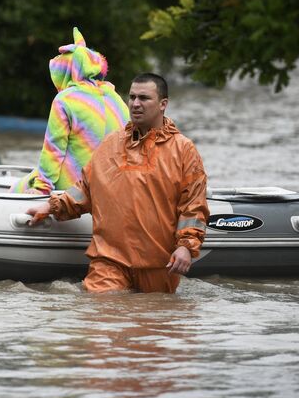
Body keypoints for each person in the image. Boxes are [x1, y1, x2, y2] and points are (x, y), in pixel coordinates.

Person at [26, 72, 209, 293]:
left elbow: (193, 205)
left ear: (163, 104)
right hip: (109, 260)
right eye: (132, 97)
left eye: (144, 98)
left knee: (157, 319)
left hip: (158, 264)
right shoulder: (111, 144)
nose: (135, 104)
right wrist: (50, 206)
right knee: (100, 314)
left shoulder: (183, 149)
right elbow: (85, 188)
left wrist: (186, 247)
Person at [10, 27, 129, 194]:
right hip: (113, 188)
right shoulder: (115, 98)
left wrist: (42, 187)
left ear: (66, 73)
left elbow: (53, 150)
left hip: (75, 189)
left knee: (15, 188)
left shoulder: (65, 100)